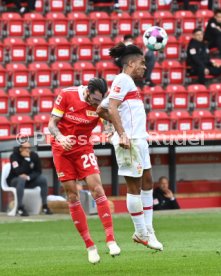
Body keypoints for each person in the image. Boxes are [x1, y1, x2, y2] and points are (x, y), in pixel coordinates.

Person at [97, 43, 163, 251]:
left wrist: (111, 126)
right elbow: (112, 107)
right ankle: (140, 232)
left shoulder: (127, 84)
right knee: (134, 187)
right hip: (130, 141)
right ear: (131, 63)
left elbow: (102, 108)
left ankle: (148, 230)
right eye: (142, 63)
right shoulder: (122, 79)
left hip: (139, 140)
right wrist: (121, 133)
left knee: (148, 182)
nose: (145, 67)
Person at [48, 77, 120, 264]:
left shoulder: (102, 103)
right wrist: (60, 137)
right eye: (94, 100)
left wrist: (110, 130)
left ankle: (111, 239)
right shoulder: (67, 94)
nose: (96, 104)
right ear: (87, 91)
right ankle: (90, 245)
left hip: (84, 148)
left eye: (99, 101)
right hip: (62, 149)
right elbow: (52, 124)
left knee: (97, 188)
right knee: (72, 195)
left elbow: (107, 121)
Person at [7, 141, 53, 216]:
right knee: (21, 179)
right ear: (20, 149)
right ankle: (20, 208)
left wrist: (29, 177)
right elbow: (18, 172)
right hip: (14, 181)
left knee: (43, 179)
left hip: (29, 180)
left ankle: (45, 206)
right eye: (25, 148)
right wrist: (26, 160)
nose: (28, 150)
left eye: (29, 148)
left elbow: (38, 171)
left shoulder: (34, 155)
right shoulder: (14, 156)